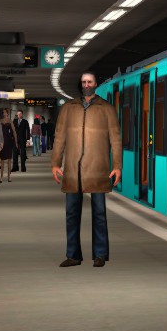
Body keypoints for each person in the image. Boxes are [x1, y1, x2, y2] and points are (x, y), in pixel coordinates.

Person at [50, 72, 122, 267]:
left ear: (96, 84)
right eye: (84, 82)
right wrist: (55, 163)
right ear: (81, 84)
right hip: (73, 169)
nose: (87, 85)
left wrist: (117, 166)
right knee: (71, 214)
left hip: (98, 168)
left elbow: (116, 139)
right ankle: (73, 255)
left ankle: (100, 254)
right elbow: (59, 137)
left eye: (89, 81)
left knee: (99, 214)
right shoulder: (68, 108)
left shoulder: (107, 108)